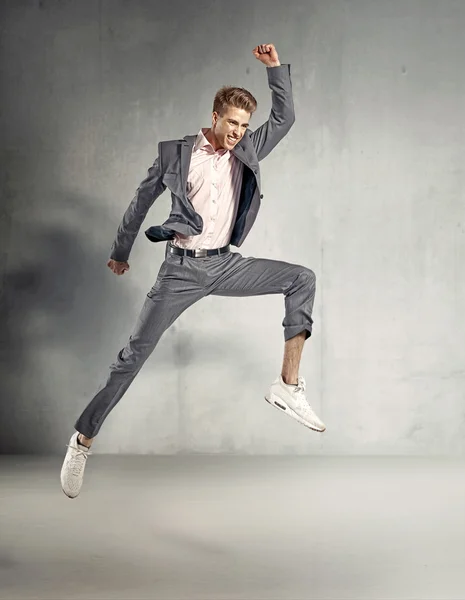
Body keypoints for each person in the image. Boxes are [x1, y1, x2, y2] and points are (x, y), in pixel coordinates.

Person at [60, 43, 325, 499]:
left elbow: (285, 119)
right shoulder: (176, 154)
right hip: (181, 270)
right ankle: (82, 439)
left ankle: (288, 386)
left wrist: (275, 70)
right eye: (232, 124)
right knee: (131, 359)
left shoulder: (248, 150)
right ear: (215, 117)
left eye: (245, 126)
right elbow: (140, 201)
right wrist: (121, 252)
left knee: (302, 278)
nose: (239, 133)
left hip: (225, 264)